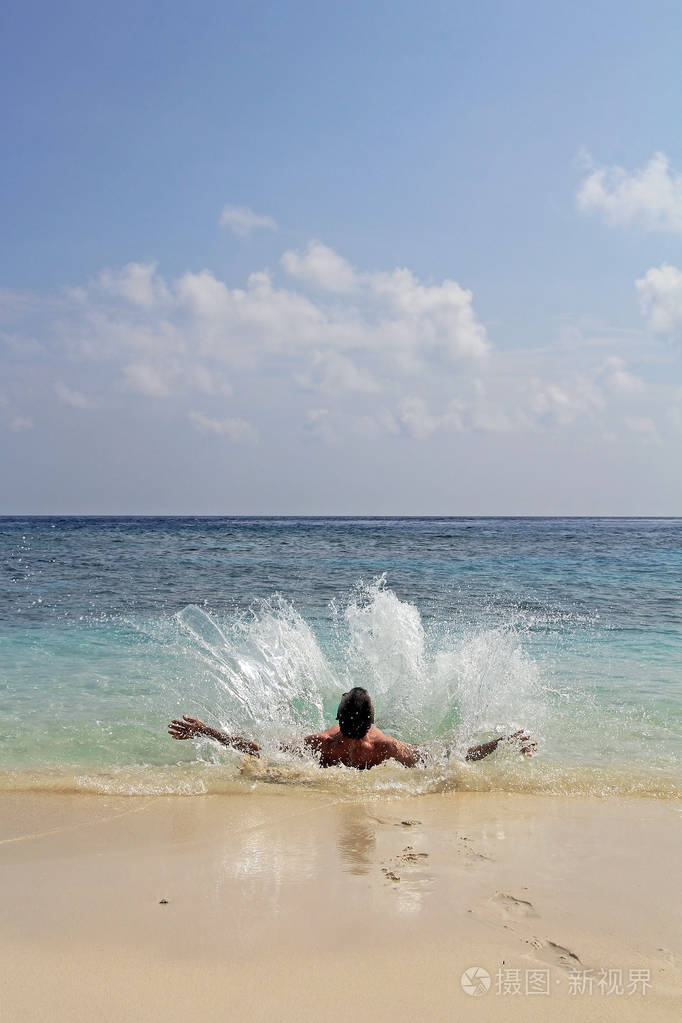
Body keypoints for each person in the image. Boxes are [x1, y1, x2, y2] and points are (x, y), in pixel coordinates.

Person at [168, 686, 536, 770]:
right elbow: (445, 759)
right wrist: (499, 743)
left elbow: (257, 748)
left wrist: (207, 731)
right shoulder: (385, 748)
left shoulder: (322, 743)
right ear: (372, 723)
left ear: (338, 720)